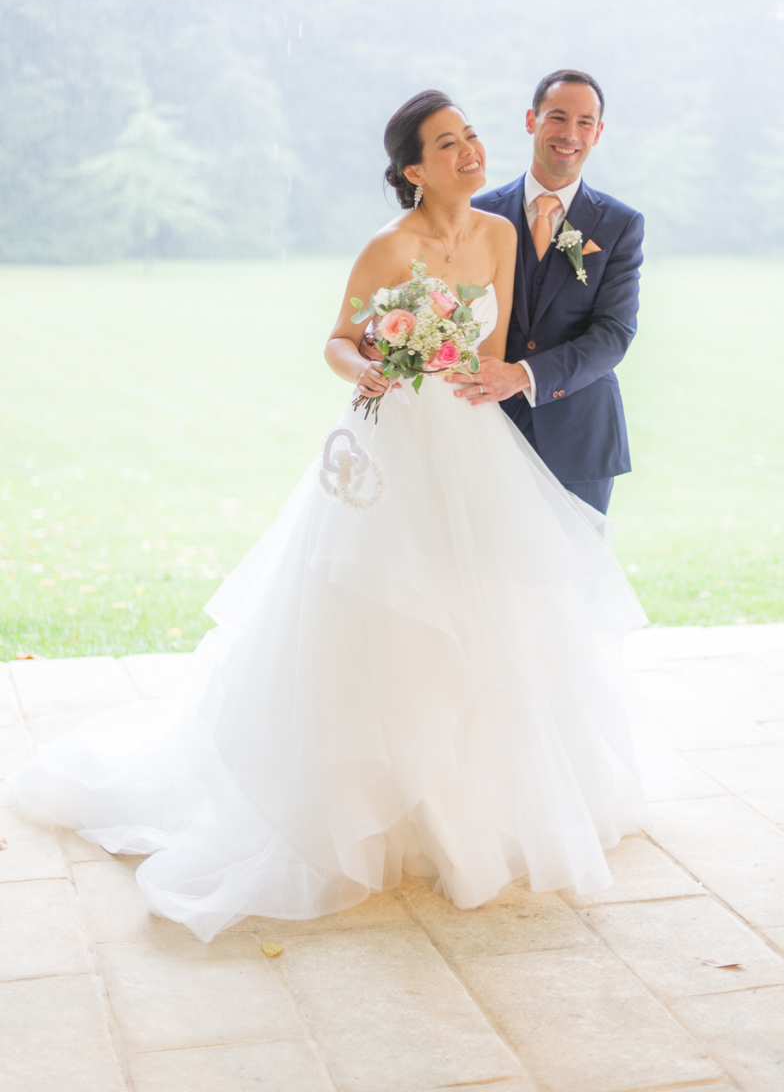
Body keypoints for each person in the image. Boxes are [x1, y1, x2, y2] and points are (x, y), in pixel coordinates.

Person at [10, 90, 652, 944]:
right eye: (448, 143)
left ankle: (478, 800)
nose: (470, 151)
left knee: (485, 614)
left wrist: (474, 381)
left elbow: (495, 354)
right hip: (392, 442)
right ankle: (373, 803)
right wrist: (372, 368)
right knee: (386, 612)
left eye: (471, 137)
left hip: (472, 439)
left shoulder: (500, 237)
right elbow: (339, 340)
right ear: (413, 169)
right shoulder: (387, 249)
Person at [459, 70, 644, 515]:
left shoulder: (621, 224)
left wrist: (522, 375)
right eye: (557, 117)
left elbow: (613, 333)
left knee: (576, 577)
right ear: (531, 120)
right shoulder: (475, 213)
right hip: (485, 429)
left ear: (598, 133)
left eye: (585, 122)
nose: (570, 134)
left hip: (581, 438)